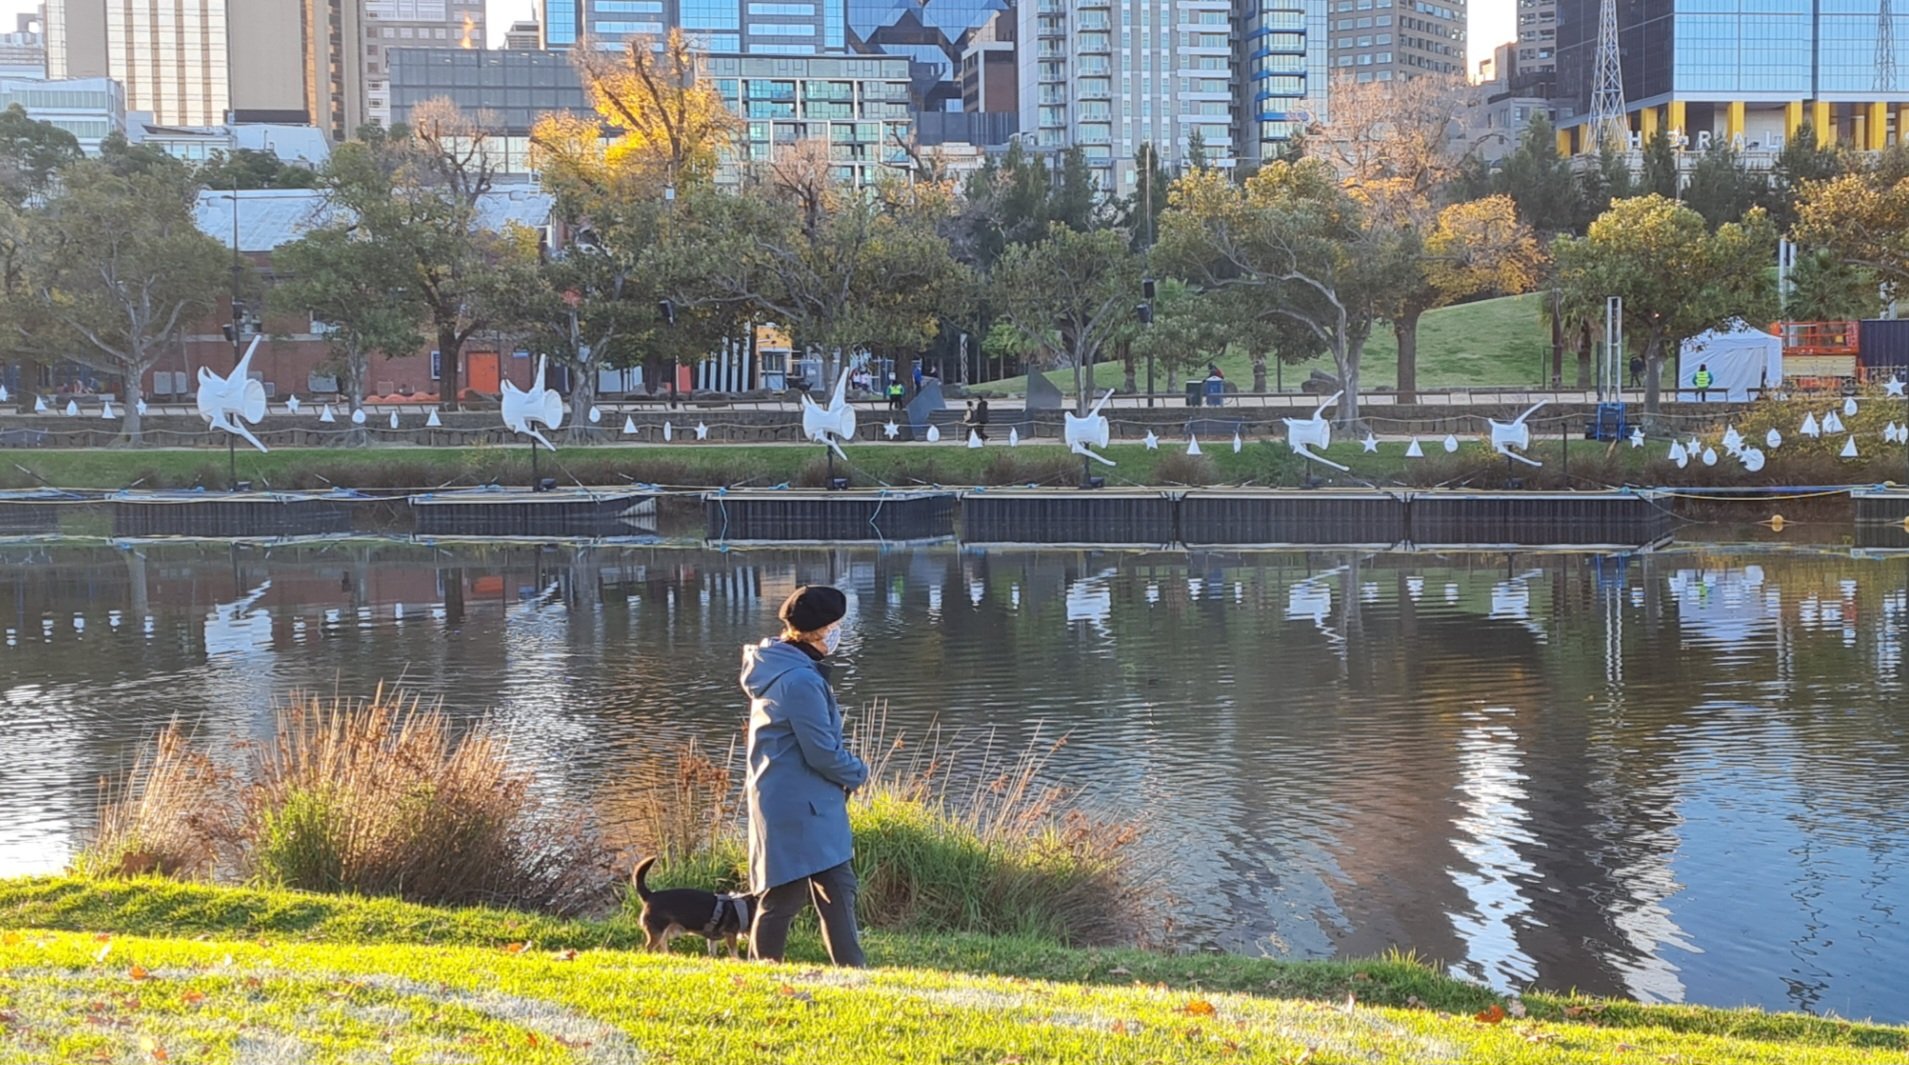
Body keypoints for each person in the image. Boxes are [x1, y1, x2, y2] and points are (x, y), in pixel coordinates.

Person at [739, 586, 869, 967]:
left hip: (802, 800)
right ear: (817, 631)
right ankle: (764, 971)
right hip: (799, 805)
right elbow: (821, 751)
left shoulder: (782, 666)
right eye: (835, 627)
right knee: (785, 896)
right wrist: (858, 772)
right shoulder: (800, 680)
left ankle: (854, 975)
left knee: (837, 888)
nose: (838, 634)